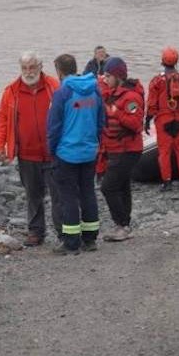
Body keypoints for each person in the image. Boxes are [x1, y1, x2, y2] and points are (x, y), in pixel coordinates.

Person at [0, 51, 62, 247]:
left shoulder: (53, 86)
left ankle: (63, 231)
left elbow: (66, 114)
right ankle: (36, 231)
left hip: (53, 152)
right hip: (26, 154)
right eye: (25, 68)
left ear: (40, 67)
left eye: (32, 67)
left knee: (58, 194)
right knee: (33, 195)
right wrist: (0, 145)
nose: (28, 71)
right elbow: (2, 120)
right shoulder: (12, 91)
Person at [47, 54, 105, 255]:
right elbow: (100, 121)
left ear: (59, 71)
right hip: (89, 151)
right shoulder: (94, 90)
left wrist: (52, 150)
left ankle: (72, 241)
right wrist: (95, 142)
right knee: (88, 192)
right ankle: (90, 239)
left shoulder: (62, 93)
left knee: (68, 196)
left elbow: (54, 126)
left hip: (67, 153)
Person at [98, 57, 144, 242]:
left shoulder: (131, 98)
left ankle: (121, 224)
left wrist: (117, 112)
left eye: (108, 75)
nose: (105, 79)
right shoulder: (112, 94)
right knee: (122, 186)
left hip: (128, 149)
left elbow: (135, 124)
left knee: (108, 187)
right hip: (115, 148)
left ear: (118, 76)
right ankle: (125, 225)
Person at [146, 47, 179, 192]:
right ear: (176, 61)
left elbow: (151, 103)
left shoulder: (157, 81)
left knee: (164, 151)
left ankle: (166, 181)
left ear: (162, 61)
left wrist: (147, 120)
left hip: (163, 120)